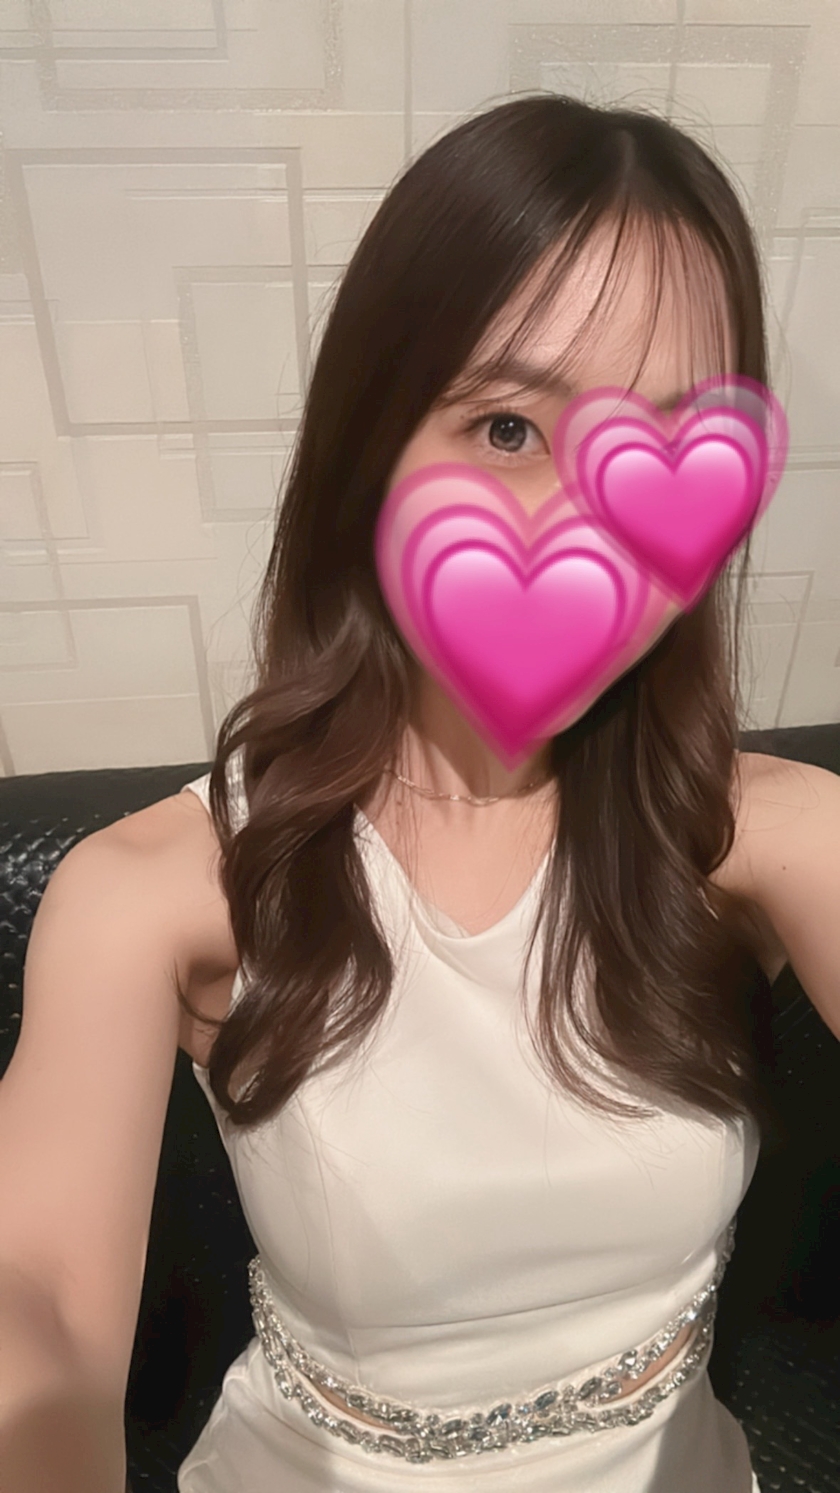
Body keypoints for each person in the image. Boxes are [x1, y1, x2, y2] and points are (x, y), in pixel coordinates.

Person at [3, 94, 792, 1493]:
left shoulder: (759, 836)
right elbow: (41, 1310)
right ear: (371, 451)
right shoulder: (150, 895)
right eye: (508, 427)